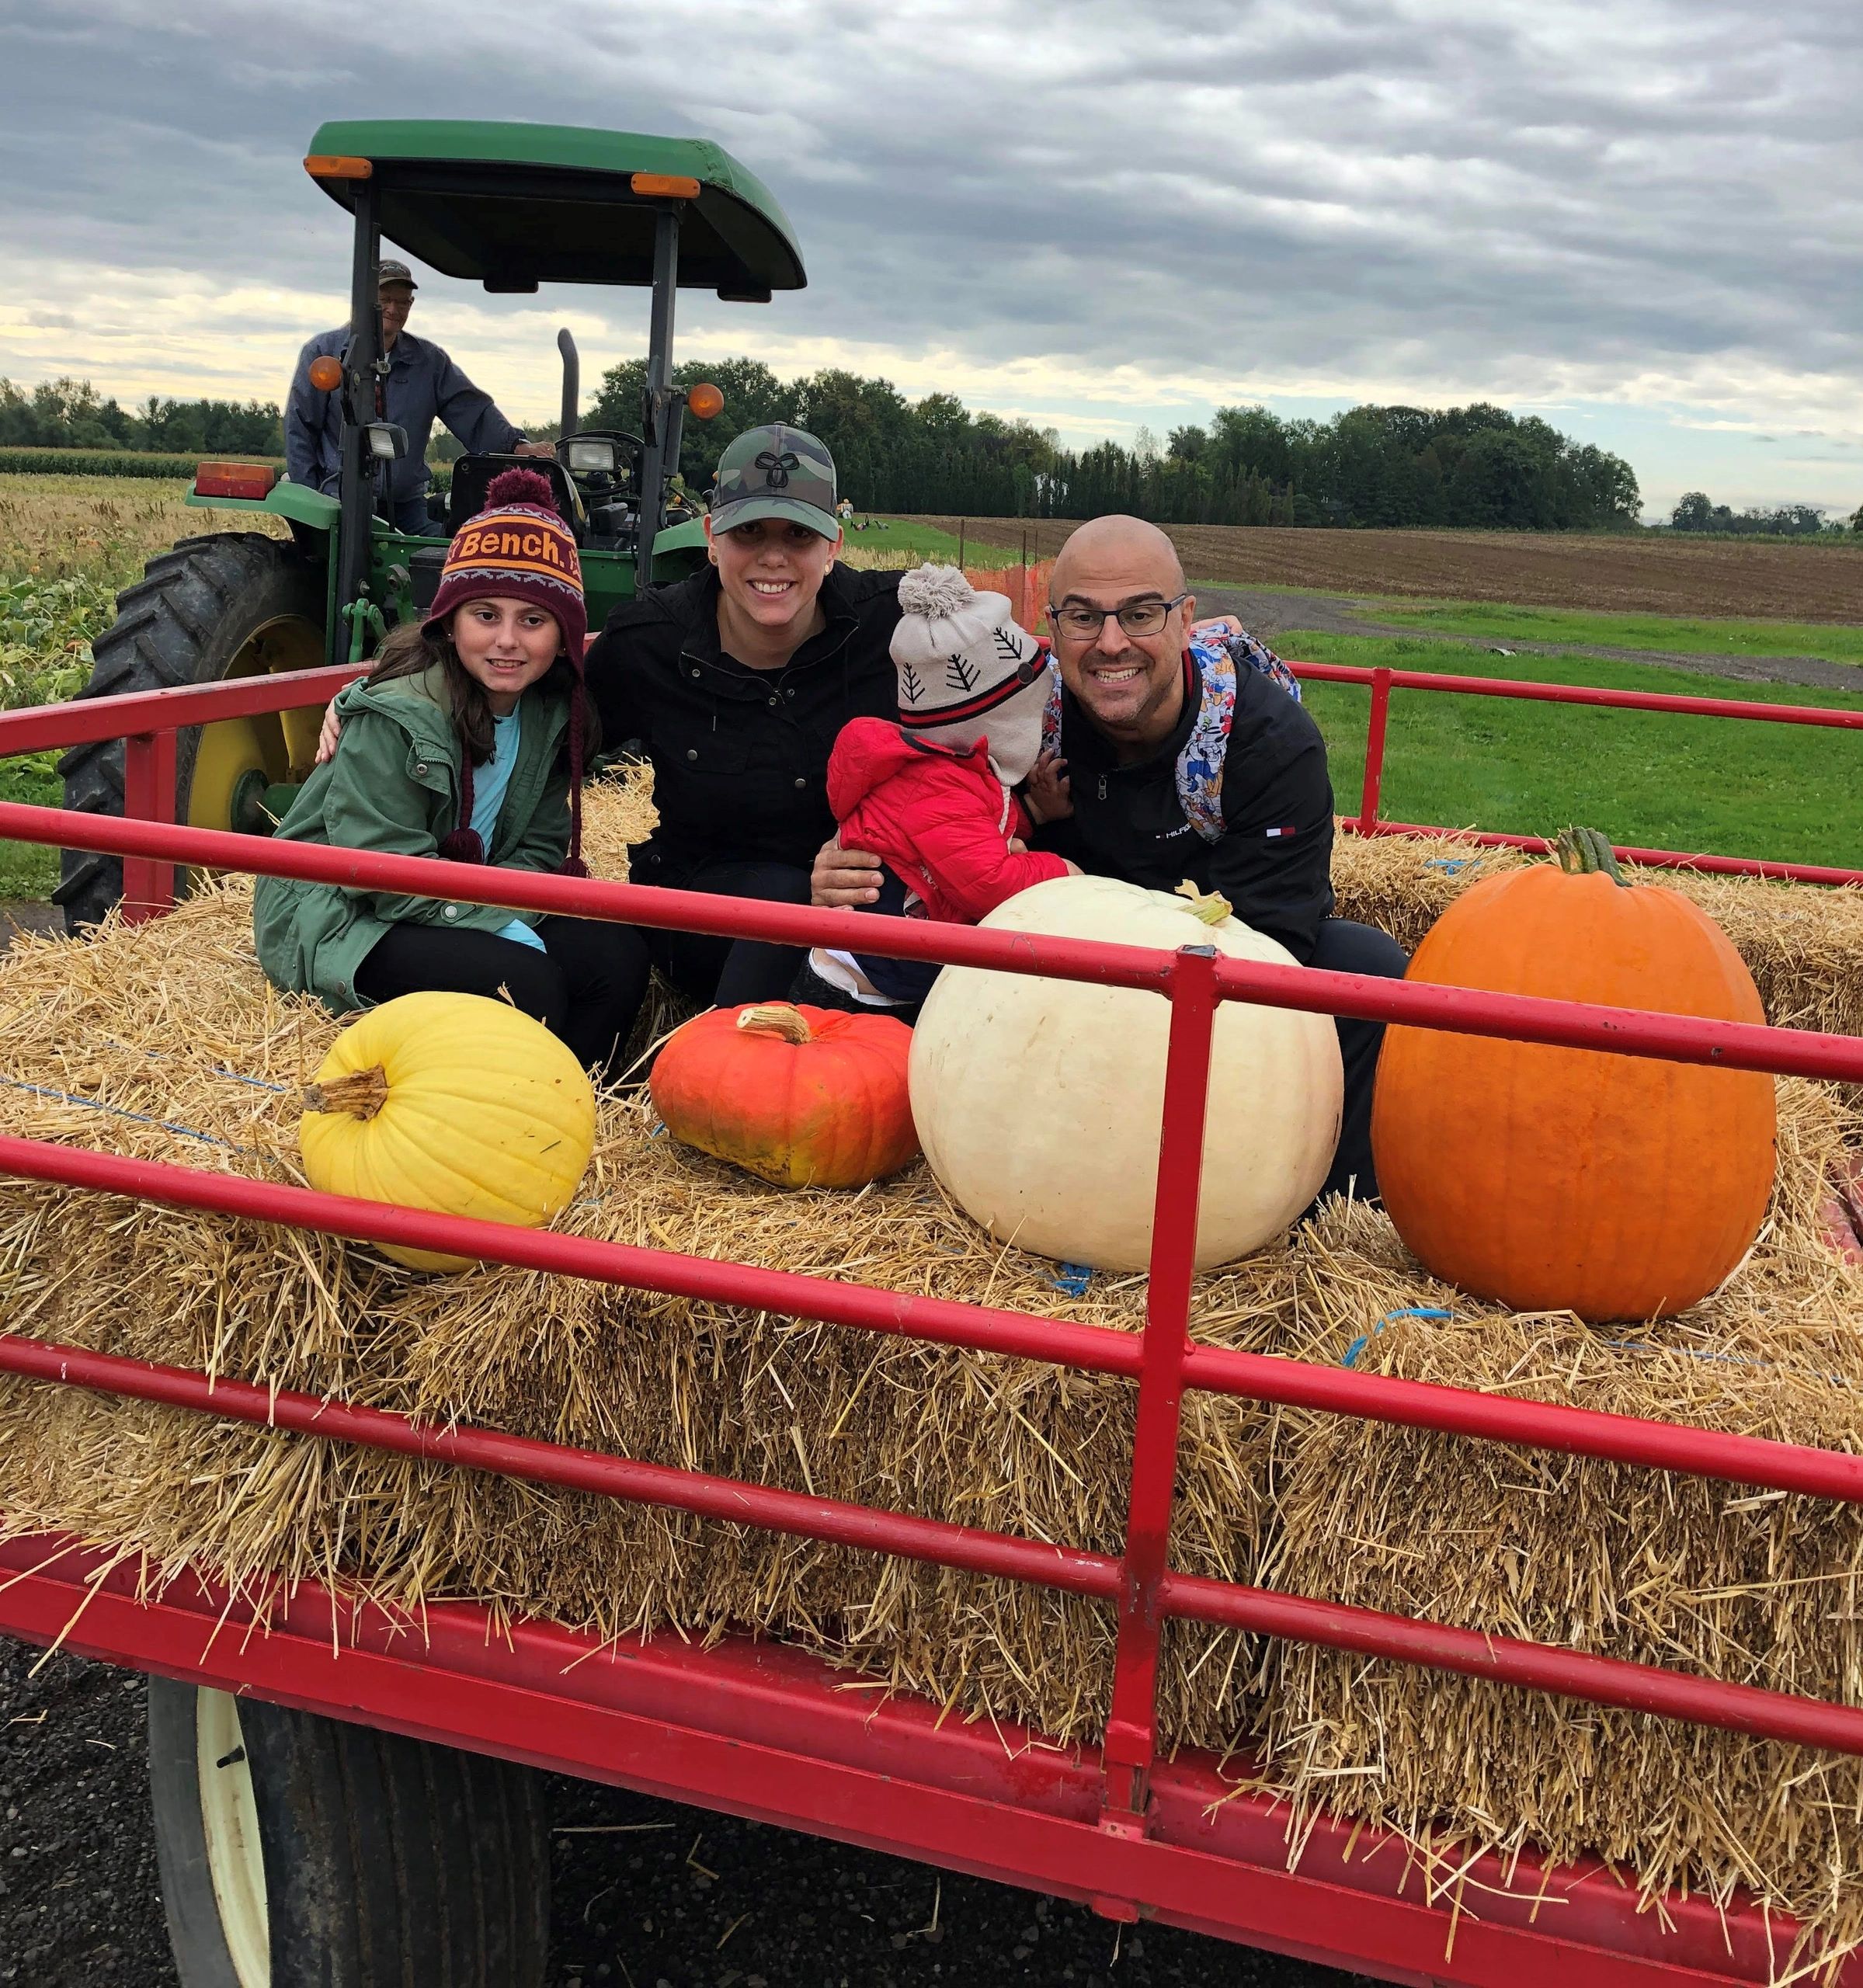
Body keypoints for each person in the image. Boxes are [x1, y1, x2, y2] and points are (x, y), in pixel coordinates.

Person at [813, 513, 1408, 1204]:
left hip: (1214, 966)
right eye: (1085, 618)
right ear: (1053, 626)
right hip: (1044, 975)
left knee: (1366, 970)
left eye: (1141, 613)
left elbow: (1278, 936)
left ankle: (1316, 1215)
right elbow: (917, 791)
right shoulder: (1017, 708)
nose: (1111, 643)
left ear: (1185, 619)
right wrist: (849, 858)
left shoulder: (1267, 741)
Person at [254, 470, 637, 1079]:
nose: (507, 641)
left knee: (614, 957)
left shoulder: (549, 715)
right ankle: (512, 1102)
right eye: (485, 615)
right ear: (451, 621)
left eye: (533, 621)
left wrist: (504, 915)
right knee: (527, 984)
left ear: (563, 634)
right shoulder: (396, 717)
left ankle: (574, 1100)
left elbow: (539, 844)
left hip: (458, 897)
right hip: (346, 915)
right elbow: (380, 873)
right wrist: (503, 924)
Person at [792, 564, 1076, 1022]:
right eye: (1033, 708)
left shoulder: (952, 767)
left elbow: (973, 832)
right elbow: (989, 885)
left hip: (891, 969)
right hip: (862, 992)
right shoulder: (938, 786)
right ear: (1000, 717)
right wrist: (1062, 873)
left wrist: (1033, 812)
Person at [283, 259, 554, 534]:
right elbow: (300, 430)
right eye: (385, 300)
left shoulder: (429, 362)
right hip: (339, 500)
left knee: (442, 553)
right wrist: (310, 502)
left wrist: (515, 445)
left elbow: (472, 412)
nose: (393, 309)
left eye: (403, 303)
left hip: (406, 505)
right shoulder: (324, 353)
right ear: (365, 301)